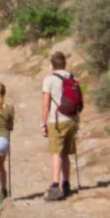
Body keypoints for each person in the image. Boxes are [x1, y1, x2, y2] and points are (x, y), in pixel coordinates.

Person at [40, 51, 82, 201]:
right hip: (72, 120)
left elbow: (46, 104)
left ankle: (55, 186)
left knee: (56, 153)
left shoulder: (49, 79)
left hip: (57, 120)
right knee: (65, 153)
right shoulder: (72, 78)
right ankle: (66, 184)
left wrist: (43, 123)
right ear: (65, 64)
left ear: (52, 65)